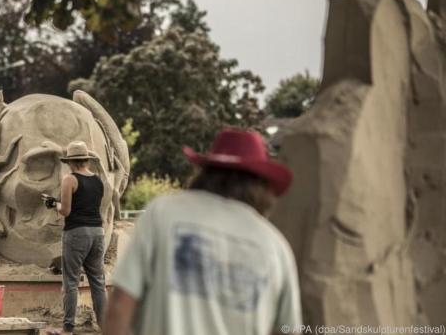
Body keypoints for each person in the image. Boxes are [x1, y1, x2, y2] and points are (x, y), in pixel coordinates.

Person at [103, 128, 303, 335]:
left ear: (205, 172)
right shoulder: (276, 247)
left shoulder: (162, 214)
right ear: (262, 186)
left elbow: (119, 308)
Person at [42, 141, 107, 335]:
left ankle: (68, 328)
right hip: (97, 232)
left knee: (70, 282)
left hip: (77, 233)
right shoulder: (98, 180)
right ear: (86, 159)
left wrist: (53, 204)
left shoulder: (69, 180)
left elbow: (66, 211)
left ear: (70, 162)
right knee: (98, 282)